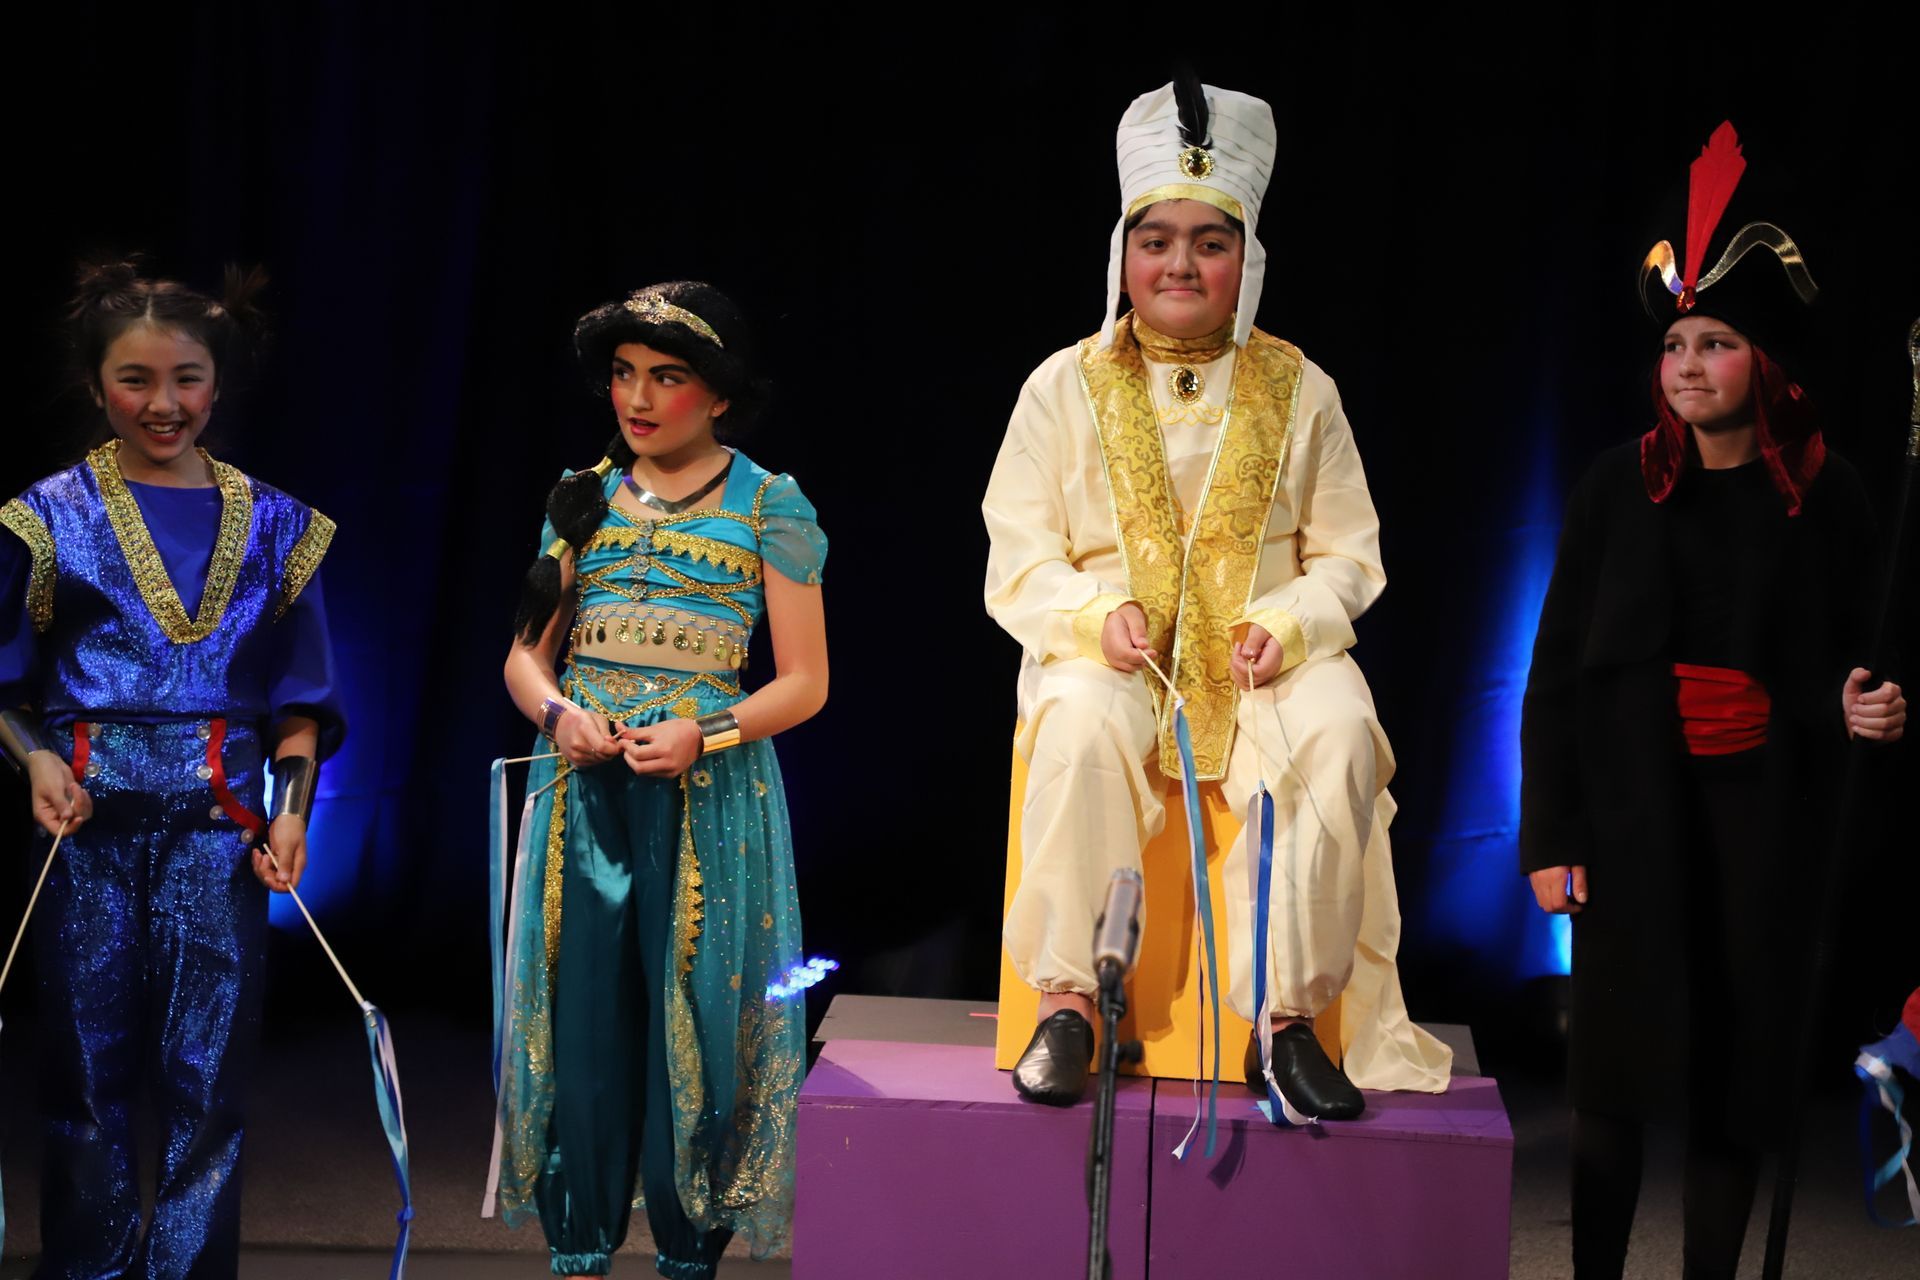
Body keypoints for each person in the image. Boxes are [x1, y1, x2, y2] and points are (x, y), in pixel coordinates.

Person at [982, 74, 1451, 1116]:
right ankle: (1071, 1007)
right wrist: (1086, 615)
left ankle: (1281, 1026)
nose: (1181, 263)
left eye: (1209, 240)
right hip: (1114, 654)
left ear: (1247, 257)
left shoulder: (1301, 385)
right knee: (1073, 723)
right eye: (1157, 239)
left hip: (1266, 662)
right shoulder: (1063, 384)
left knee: (1339, 729)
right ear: (1123, 254)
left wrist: (1288, 625)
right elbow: (1017, 551)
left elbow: (1349, 554)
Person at [1520, 121, 1908, 1279]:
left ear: (1768, 363)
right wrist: (1551, 835)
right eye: (1678, 343)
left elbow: (1860, 667)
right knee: (1615, 1078)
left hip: (1762, 834)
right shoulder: (1615, 488)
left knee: (1738, 1087)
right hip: (1636, 829)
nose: (1690, 365)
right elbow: (1551, 673)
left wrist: (1867, 708)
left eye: (1720, 343)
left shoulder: (1827, 498)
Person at [0, 260, 344, 1275]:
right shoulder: (47, 514)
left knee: (208, 1086)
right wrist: (32, 763)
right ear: (98, 385)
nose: (165, 403)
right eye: (137, 380)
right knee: (83, 1079)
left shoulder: (281, 524)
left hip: (220, 834)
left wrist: (289, 814)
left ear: (217, 382)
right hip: (83, 832)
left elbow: (303, 702)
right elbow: (7, 690)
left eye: (186, 378)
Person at [490, 282, 828, 1279]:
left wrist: (702, 730)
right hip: (582, 792)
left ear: (718, 394)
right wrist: (558, 713)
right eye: (626, 375)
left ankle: (690, 1251)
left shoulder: (769, 501)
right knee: (584, 1019)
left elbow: (806, 681)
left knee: (699, 1022)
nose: (637, 398)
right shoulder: (580, 495)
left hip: (705, 794)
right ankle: (580, 1244)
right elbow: (520, 655)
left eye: (667, 377)